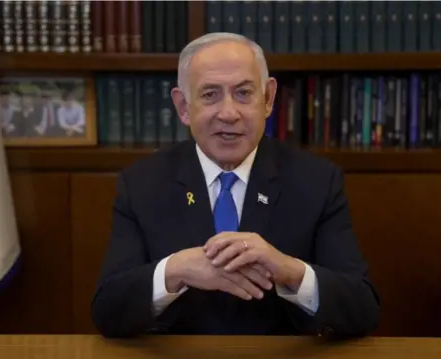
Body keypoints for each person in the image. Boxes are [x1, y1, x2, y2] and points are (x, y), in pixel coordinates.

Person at [90, 32, 380, 338]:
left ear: (268, 99)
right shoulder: (142, 183)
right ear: (183, 107)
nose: (228, 114)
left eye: (243, 93)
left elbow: (363, 309)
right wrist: (174, 270)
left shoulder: (317, 181)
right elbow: (107, 310)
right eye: (210, 94)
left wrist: (289, 271)